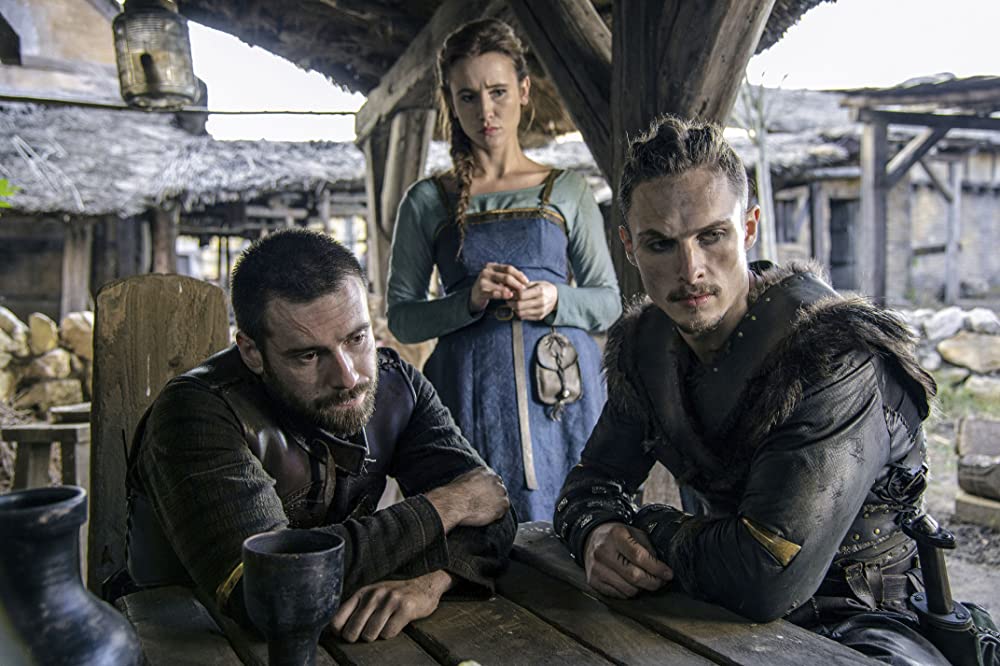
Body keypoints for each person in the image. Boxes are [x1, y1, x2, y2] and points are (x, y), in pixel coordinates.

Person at [553, 115, 999, 665]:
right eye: (661, 244)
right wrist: (596, 530)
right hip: (713, 607)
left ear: (748, 228)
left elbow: (765, 574)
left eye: (711, 236)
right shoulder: (645, 349)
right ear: (628, 246)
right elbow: (590, 482)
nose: (690, 269)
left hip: (868, 619)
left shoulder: (832, 355)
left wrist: (646, 525)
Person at [125, 229, 516, 643]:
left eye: (357, 338)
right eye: (309, 355)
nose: (348, 377)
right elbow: (268, 587)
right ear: (252, 352)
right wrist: (448, 504)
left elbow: (492, 505)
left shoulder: (397, 387)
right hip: (189, 641)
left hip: (339, 638)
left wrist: (431, 583)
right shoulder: (197, 412)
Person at [386, 19, 621, 522]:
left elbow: (608, 303)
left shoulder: (567, 190)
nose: (485, 111)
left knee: (578, 524)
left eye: (498, 92)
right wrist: (467, 301)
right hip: (467, 391)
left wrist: (556, 300)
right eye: (468, 97)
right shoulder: (427, 200)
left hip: (561, 390)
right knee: (478, 529)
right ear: (450, 103)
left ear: (524, 90)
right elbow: (403, 319)